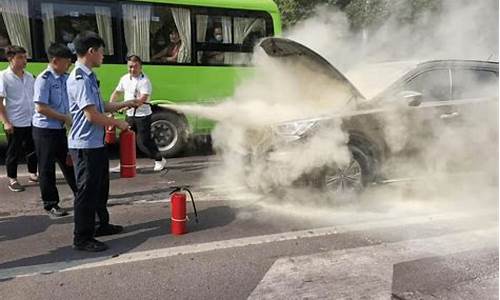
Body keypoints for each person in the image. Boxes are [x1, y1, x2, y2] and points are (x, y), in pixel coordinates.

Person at [67, 32, 140, 252]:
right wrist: (118, 124)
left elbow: (99, 106)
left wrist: (124, 104)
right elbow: (91, 115)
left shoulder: (88, 76)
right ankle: (82, 238)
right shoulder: (79, 77)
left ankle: (101, 225)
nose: (103, 56)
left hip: (94, 143)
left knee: (99, 189)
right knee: (87, 192)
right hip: (84, 144)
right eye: (101, 51)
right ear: (91, 51)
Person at [32, 43, 77, 218]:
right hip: (45, 130)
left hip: (60, 128)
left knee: (69, 163)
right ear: (55, 61)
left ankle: (80, 194)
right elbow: (41, 108)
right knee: (46, 168)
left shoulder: (65, 78)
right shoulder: (44, 79)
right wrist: (64, 118)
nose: (69, 65)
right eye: (66, 62)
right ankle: (51, 204)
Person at [109, 55, 167, 172]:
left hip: (143, 115)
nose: (132, 69)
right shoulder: (124, 78)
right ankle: (124, 163)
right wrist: (111, 106)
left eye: (135, 67)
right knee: (125, 139)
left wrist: (124, 106)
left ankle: (159, 159)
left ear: (141, 67)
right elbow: (116, 93)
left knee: (144, 141)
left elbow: (142, 100)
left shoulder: (145, 81)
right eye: (130, 67)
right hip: (130, 115)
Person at [0, 45, 38, 192]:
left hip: (31, 119)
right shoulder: (3, 76)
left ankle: (33, 173)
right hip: (14, 121)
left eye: (25, 57)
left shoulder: (29, 77)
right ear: (10, 58)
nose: (24, 60)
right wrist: (6, 122)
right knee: (13, 151)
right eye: (20, 57)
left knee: (32, 148)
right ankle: (12, 179)